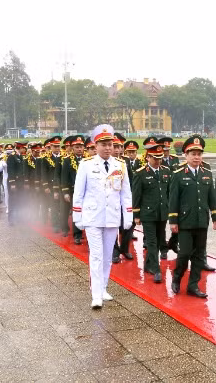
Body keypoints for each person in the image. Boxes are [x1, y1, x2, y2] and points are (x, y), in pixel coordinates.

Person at [72, 124, 132, 308]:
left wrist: (127, 215)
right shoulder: (86, 165)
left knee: (107, 256)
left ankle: (104, 287)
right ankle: (96, 294)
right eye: (103, 144)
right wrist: (77, 216)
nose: (107, 148)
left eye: (110, 144)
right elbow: (78, 192)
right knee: (96, 256)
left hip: (112, 217)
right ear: (95, 145)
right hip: (92, 217)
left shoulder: (120, 165)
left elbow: (125, 193)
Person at [168, 135, 216, 298]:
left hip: (201, 221)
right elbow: (173, 199)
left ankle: (193, 285)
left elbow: (212, 197)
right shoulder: (178, 174)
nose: (197, 157)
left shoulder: (206, 173)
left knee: (199, 255)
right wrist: (173, 221)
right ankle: (177, 278)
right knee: (184, 254)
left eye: (199, 154)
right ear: (186, 155)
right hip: (185, 221)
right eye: (193, 154)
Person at [132, 141, 171, 283]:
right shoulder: (140, 173)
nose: (158, 161)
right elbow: (136, 195)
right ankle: (156, 269)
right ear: (148, 157)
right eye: (155, 158)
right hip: (148, 214)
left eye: (160, 158)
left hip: (162, 213)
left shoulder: (166, 171)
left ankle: (148, 265)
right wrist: (136, 215)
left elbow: (168, 193)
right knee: (152, 242)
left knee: (160, 240)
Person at [112, 133, 135, 263]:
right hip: (111, 200)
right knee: (113, 225)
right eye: (115, 146)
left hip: (125, 198)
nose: (117, 150)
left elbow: (130, 180)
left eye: (120, 146)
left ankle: (125, 249)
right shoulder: (105, 161)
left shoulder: (125, 161)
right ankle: (114, 251)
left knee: (129, 225)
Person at [61, 136, 88, 244]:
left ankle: (86, 232)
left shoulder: (88, 159)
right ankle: (77, 235)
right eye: (77, 147)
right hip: (74, 191)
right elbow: (64, 177)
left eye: (81, 147)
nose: (79, 149)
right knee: (77, 212)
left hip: (87, 191)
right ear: (73, 148)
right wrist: (65, 192)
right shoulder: (67, 160)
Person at [0, 144, 11, 214]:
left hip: (13, 178)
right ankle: (8, 207)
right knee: (7, 193)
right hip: (6, 178)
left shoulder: (13, 158)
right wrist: (2, 163)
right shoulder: (3, 158)